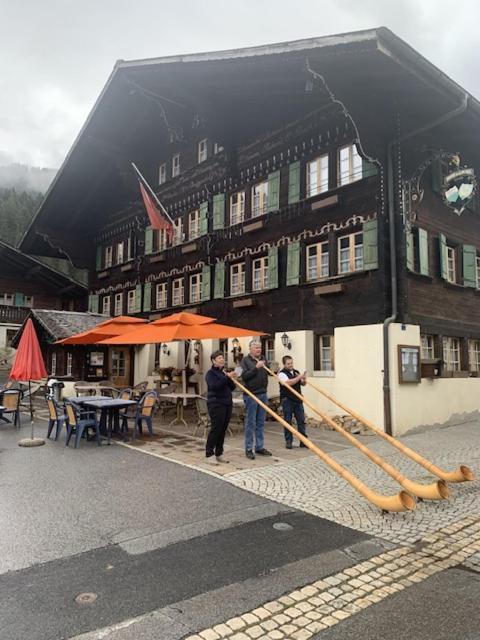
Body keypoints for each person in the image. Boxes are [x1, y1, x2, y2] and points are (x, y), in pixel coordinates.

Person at [240, 340, 272, 460]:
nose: (259, 350)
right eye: (256, 348)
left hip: (263, 394)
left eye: (260, 347)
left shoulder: (263, 358)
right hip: (251, 395)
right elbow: (243, 376)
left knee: (261, 422)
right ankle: (249, 448)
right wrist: (256, 368)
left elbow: (267, 372)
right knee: (250, 422)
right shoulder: (245, 361)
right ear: (250, 349)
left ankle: (259, 446)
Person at [204, 350, 237, 465]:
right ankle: (209, 454)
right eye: (219, 358)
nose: (222, 359)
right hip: (216, 404)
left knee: (223, 429)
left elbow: (232, 388)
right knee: (216, 428)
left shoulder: (223, 373)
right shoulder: (210, 374)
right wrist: (227, 378)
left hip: (227, 403)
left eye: (223, 357)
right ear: (213, 361)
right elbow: (214, 386)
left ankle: (219, 453)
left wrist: (232, 378)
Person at [278, 355, 307, 449]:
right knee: (287, 421)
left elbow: (303, 383)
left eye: (291, 363)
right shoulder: (281, 374)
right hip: (287, 400)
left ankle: (303, 441)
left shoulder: (296, 372)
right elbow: (288, 383)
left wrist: (304, 379)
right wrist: (299, 378)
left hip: (298, 399)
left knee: (301, 420)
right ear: (284, 364)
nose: (290, 365)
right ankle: (289, 441)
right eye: (288, 364)